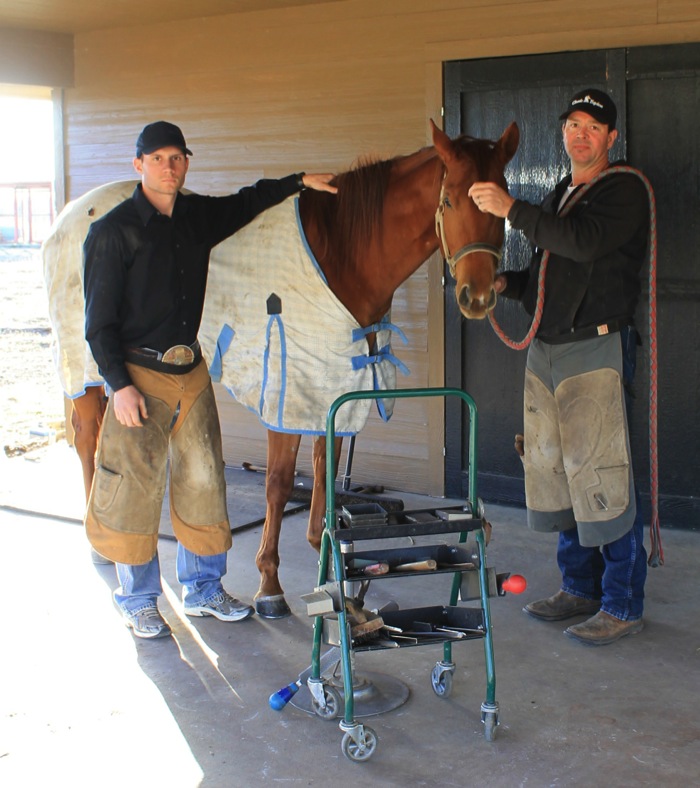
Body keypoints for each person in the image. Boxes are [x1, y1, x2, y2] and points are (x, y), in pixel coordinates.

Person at [83, 120, 337, 639]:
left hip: (190, 371)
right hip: (138, 376)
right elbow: (98, 324)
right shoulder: (112, 232)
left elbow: (246, 201)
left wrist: (297, 182)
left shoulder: (196, 217)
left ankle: (201, 590)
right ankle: (138, 598)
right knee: (136, 490)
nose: (170, 167)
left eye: (177, 157)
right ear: (139, 165)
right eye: (158, 158)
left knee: (203, 484)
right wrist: (119, 385)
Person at [468, 89, 649, 646]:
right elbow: (548, 270)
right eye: (573, 124)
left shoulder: (623, 189)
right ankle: (580, 587)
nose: (581, 134)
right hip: (547, 347)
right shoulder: (561, 192)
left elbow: (582, 244)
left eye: (593, 126)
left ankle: (621, 602)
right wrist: (506, 284)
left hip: (594, 350)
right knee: (557, 473)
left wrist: (510, 209)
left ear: (611, 138)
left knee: (601, 474)